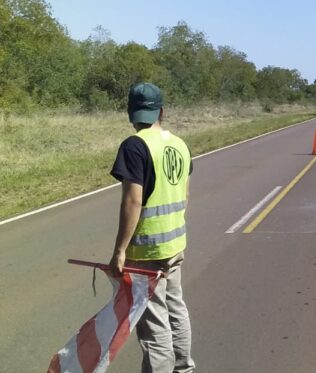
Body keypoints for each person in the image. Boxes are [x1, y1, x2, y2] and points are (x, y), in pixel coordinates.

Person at [109, 82, 196, 372]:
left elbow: (133, 202)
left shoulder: (135, 146)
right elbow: (184, 197)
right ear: (162, 111)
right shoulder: (180, 145)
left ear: (131, 113)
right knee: (176, 311)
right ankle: (183, 368)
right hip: (174, 246)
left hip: (146, 253)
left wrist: (120, 251)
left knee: (155, 327)